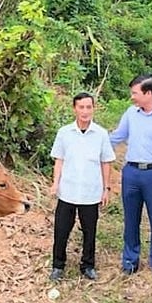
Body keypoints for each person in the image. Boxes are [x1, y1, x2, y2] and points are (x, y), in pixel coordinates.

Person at [110, 74, 152, 283]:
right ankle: (130, 261)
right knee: (130, 219)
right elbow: (117, 136)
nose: (132, 97)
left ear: (148, 93)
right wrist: (93, 139)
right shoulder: (131, 114)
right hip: (131, 172)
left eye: (135, 93)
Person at [49, 92, 116, 281]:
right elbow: (59, 160)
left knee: (89, 230)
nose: (85, 111)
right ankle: (58, 265)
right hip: (68, 191)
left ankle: (88, 265)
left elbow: (106, 162)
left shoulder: (101, 134)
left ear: (93, 108)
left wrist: (106, 189)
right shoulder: (64, 133)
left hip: (91, 191)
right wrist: (55, 183)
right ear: (74, 109)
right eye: (81, 107)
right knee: (61, 230)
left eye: (88, 107)